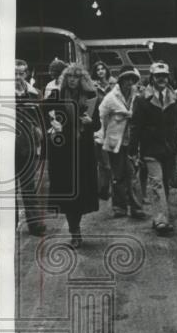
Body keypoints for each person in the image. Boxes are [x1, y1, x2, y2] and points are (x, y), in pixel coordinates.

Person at [44, 62, 100, 247]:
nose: (73, 80)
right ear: (65, 79)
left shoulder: (91, 97)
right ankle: (75, 231)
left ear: (82, 79)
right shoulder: (57, 95)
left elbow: (98, 125)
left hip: (83, 152)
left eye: (76, 77)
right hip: (63, 152)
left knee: (82, 192)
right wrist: (52, 123)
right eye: (69, 77)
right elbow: (42, 111)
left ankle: (76, 227)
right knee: (68, 191)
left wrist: (91, 121)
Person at [131, 62, 177, 235]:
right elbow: (136, 126)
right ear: (152, 78)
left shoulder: (176, 98)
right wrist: (133, 149)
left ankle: (158, 217)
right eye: (158, 76)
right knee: (157, 182)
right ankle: (162, 220)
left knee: (166, 184)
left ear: (168, 77)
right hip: (150, 149)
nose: (161, 79)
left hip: (170, 148)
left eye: (164, 76)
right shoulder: (141, 99)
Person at [98, 65, 146, 219]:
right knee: (118, 176)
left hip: (132, 141)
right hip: (115, 141)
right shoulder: (111, 98)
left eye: (132, 79)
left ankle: (137, 207)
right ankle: (119, 207)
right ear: (120, 80)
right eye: (126, 79)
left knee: (133, 174)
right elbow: (100, 115)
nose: (129, 82)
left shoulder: (137, 97)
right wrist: (101, 136)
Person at [14, 59, 46, 236]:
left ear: (26, 74)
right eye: (14, 73)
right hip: (6, 145)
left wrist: (39, 130)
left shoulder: (35, 94)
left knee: (29, 187)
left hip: (28, 145)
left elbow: (40, 118)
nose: (17, 77)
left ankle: (35, 225)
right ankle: (9, 226)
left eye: (21, 73)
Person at [91, 60, 116, 201]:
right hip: (99, 122)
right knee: (101, 159)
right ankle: (103, 188)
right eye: (98, 69)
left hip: (112, 122)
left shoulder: (113, 85)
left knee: (110, 159)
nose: (100, 71)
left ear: (106, 70)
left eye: (102, 69)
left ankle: (111, 188)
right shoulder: (92, 86)